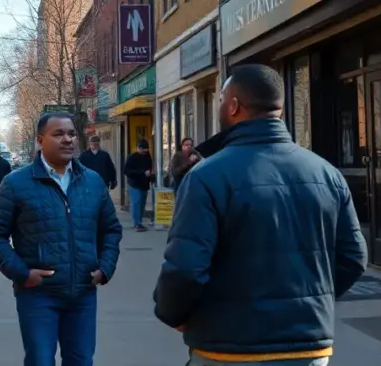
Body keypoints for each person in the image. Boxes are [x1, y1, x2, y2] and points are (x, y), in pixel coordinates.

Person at [154, 64, 367, 366]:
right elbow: (354, 256)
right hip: (308, 346)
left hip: (229, 347)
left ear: (234, 106)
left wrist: (173, 314)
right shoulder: (326, 173)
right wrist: (310, 301)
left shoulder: (205, 177)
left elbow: (185, 267)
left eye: (220, 100)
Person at [0, 113, 123, 366]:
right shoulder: (16, 183)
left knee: (81, 360)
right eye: (58, 134)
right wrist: (23, 274)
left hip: (82, 293)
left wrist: (105, 268)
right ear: (40, 140)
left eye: (71, 134)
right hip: (38, 295)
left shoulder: (92, 181)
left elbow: (111, 229)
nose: (67, 139)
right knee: (40, 360)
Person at [123, 139, 154, 232]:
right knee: (136, 203)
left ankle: (139, 222)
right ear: (139, 148)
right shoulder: (132, 157)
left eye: (147, 149)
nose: (145, 151)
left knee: (142, 204)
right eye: (144, 149)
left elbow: (149, 168)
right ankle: (137, 223)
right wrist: (142, 172)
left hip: (144, 184)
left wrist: (150, 177)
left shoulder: (148, 157)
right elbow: (127, 171)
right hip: (134, 184)